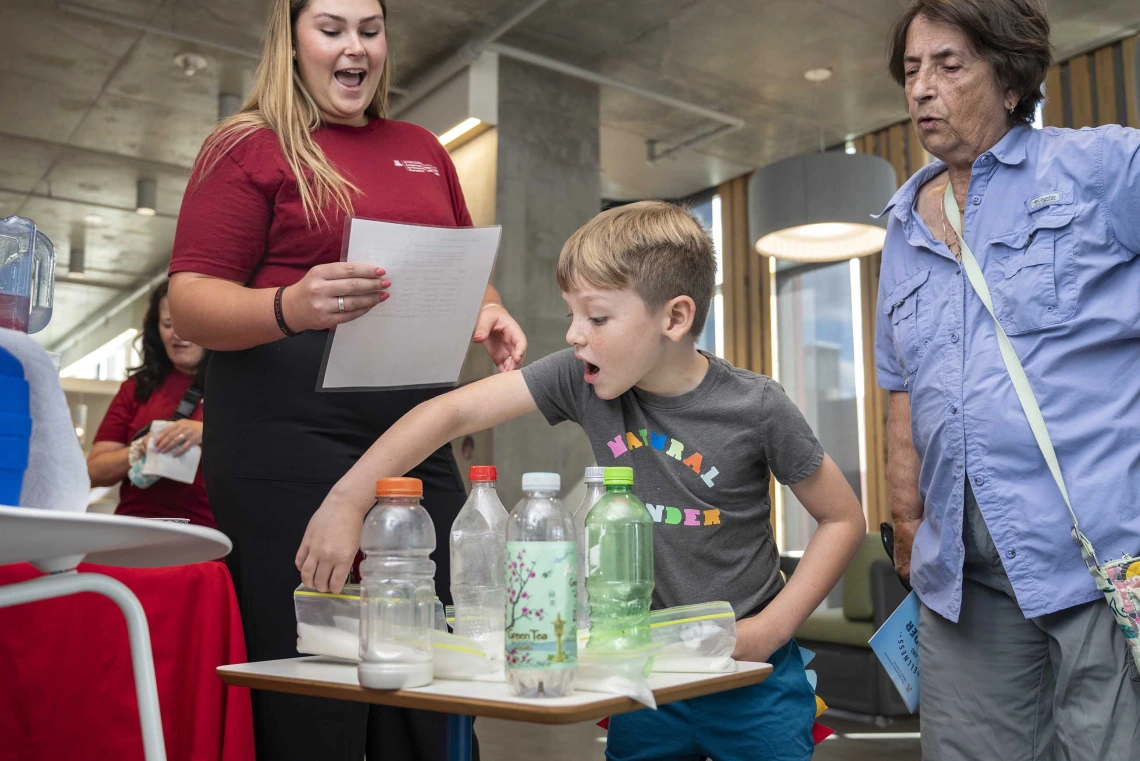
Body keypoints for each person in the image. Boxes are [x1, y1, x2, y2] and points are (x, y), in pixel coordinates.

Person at [299, 201, 867, 761]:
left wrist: (769, 630)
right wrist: (348, 499)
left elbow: (842, 519)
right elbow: (450, 414)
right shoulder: (581, 379)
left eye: (595, 318)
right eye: (572, 314)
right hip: (643, 673)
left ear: (674, 318)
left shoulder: (756, 405)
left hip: (752, 677)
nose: (574, 335)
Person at [166, 0, 527, 758]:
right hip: (283, 443)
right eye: (331, 29)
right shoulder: (249, 146)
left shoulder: (423, 148)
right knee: (315, 667)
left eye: (370, 28)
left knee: (436, 654)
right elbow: (192, 301)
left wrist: (486, 311)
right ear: (291, 40)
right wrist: (289, 304)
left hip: (410, 437)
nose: (354, 47)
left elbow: (461, 271)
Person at [877, 0, 1140, 757]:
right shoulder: (901, 226)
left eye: (949, 65)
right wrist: (907, 518)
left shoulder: (1096, 169)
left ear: (1011, 80)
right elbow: (901, 381)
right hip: (963, 583)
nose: (922, 88)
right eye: (911, 70)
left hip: (1101, 561)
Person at [88, 282, 213, 528]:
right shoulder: (136, 388)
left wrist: (206, 433)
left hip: (206, 536)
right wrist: (138, 450)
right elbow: (93, 472)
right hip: (134, 529)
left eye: (187, 324)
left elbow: (268, 452)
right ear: (156, 330)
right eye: (168, 324)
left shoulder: (236, 388)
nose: (177, 334)